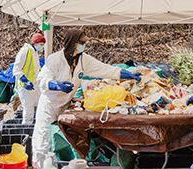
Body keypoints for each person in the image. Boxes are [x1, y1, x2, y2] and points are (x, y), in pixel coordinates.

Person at [32, 28, 142, 169]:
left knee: (64, 137)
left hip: (65, 104)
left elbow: (105, 69)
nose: (84, 45)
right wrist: (57, 85)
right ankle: (38, 165)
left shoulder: (83, 60)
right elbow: (42, 79)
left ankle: (61, 163)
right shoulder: (55, 59)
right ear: (73, 43)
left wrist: (128, 74)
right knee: (43, 138)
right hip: (49, 105)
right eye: (82, 43)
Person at [13, 33, 46, 124]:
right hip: (25, 86)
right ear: (35, 43)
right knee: (28, 111)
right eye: (41, 44)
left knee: (40, 106)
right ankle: (26, 130)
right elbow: (16, 69)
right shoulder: (25, 51)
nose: (42, 47)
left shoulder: (34, 52)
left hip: (34, 85)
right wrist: (25, 80)